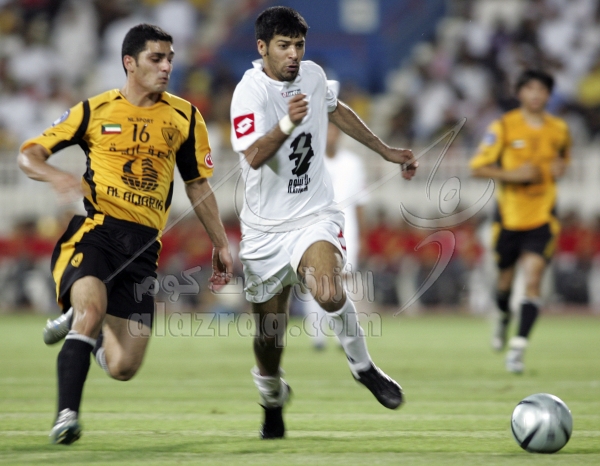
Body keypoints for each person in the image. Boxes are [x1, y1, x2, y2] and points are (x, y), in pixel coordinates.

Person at [17, 24, 233, 444]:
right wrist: (55, 176)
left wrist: (221, 243)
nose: (167, 66)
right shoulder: (94, 110)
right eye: (157, 58)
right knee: (91, 309)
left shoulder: (185, 116)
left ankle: (86, 326)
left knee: (123, 367)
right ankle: (66, 416)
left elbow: (197, 185)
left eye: (170, 58)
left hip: (143, 250)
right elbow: (30, 154)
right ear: (129, 63)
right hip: (96, 234)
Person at [230, 6, 417, 439]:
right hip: (264, 230)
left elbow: (336, 109)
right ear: (262, 48)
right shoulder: (249, 91)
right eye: (284, 46)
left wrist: (386, 150)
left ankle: (363, 367)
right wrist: (288, 122)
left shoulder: (313, 75)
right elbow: (253, 154)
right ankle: (272, 397)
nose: (293, 54)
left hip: (312, 213)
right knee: (270, 336)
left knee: (329, 291)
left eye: (298, 45)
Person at [470, 69, 570, 373]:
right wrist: (512, 175)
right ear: (520, 93)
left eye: (542, 89)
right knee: (505, 281)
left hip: (543, 216)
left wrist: (559, 169)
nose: (536, 94)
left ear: (549, 95)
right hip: (509, 218)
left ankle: (518, 348)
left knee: (533, 278)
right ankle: (503, 317)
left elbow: (563, 161)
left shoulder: (559, 129)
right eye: (530, 88)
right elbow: (477, 167)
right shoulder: (503, 127)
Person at [303, 122, 368, 350]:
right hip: (315, 226)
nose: (330, 135)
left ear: (339, 135)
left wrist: (362, 235)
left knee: (344, 281)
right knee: (315, 279)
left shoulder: (353, 163)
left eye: (333, 131)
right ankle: (317, 337)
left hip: (347, 228)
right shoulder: (308, 160)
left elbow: (360, 202)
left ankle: (345, 336)